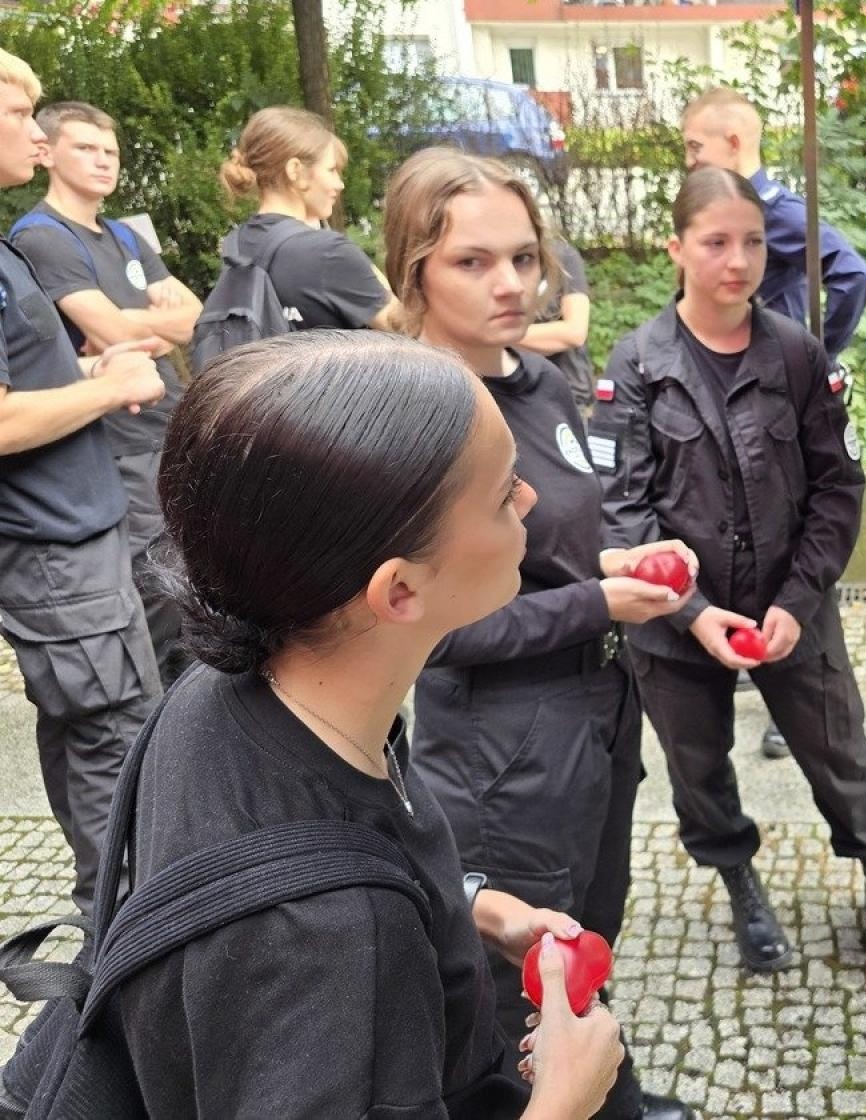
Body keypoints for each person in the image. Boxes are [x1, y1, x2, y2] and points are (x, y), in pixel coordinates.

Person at [123, 327, 623, 1118]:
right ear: (399, 593)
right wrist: (563, 1100)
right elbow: (308, 925)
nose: (528, 499)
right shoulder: (335, 947)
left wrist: (458, 903)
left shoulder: (229, 689)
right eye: (502, 494)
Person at [384, 148, 695, 1120]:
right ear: (412, 269)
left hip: (597, 717)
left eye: (523, 256)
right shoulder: (412, 412)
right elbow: (429, 629)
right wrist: (598, 606)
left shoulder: (542, 378)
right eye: (472, 262)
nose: (512, 283)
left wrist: (650, 582)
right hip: (498, 749)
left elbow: (565, 543)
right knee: (508, 967)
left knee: (588, 926)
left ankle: (604, 1087)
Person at [592, 165, 866, 975]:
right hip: (678, 625)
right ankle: (739, 879)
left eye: (751, 242)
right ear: (677, 248)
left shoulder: (799, 356)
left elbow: (839, 487)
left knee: (841, 753)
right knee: (697, 767)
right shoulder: (635, 364)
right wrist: (693, 611)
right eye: (715, 243)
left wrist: (799, 601)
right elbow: (625, 509)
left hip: (789, 606)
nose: (736, 261)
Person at [0, 49, 165, 913]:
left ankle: (108, 916)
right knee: (115, 735)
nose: (37, 129)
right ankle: (138, 937)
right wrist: (104, 387)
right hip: (55, 553)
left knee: (88, 731)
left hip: (81, 536)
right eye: (21, 112)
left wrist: (91, 363)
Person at [681, 85, 866, 760]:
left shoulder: (775, 211)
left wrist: (818, 353)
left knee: (794, 538)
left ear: (734, 145)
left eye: (695, 146)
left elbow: (851, 272)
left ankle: (794, 691)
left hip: (775, 405)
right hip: (726, 399)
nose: (689, 159)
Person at [10, 100, 202, 686]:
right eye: (85, 148)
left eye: (110, 151)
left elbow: (195, 317)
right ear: (48, 152)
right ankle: (150, 739)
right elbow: (110, 331)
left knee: (188, 586)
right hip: (117, 439)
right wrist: (150, 318)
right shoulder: (42, 237)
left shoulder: (125, 233)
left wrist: (142, 318)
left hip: (167, 425)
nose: (102, 161)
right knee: (155, 596)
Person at [218, 105, 395, 330]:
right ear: (296, 171)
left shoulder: (237, 244)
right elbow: (406, 330)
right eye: (331, 170)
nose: (339, 184)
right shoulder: (328, 252)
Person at [514, 232, 596, 413]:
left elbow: (575, 332)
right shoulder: (491, 266)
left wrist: (499, 335)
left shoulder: (562, 257)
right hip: (510, 395)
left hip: (566, 395)